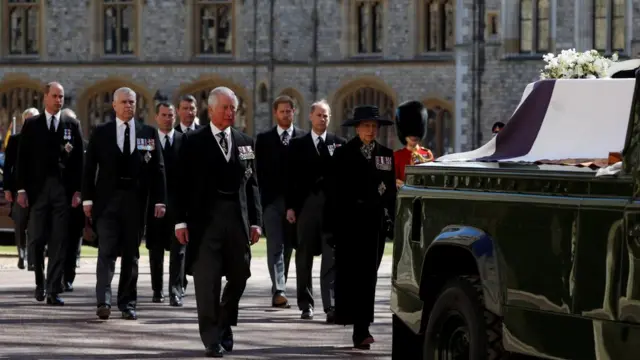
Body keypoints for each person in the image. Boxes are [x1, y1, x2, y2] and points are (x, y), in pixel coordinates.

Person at [175, 86, 262, 358]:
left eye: (233, 108)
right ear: (210, 110)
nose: (229, 112)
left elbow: (253, 185)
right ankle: (212, 338)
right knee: (207, 281)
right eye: (224, 108)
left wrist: (256, 221)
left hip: (237, 220)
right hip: (204, 222)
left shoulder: (245, 141)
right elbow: (180, 184)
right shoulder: (192, 141)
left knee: (240, 275)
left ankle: (224, 321)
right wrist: (180, 222)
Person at [82, 87, 167, 321]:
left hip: (135, 203)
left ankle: (128, 303)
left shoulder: (148, 133)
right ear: (114, 105)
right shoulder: (101, 132)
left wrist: (160, 200)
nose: (129, 106)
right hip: (107, 202)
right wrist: (87, 199)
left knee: (131, 255)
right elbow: (89, 169)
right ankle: (104, 301)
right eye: (125, 102)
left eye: (132, 102)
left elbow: (158, 170)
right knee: (107, 252)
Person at [325, 105, 396, 349]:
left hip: (374, 225)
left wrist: (393, 222)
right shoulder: (343, 154)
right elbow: (333, 194)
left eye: (374, 126)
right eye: (366, 125)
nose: (370, 130)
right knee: (349, 275)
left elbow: (390, 194)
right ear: (357, 128)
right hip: (349, 225)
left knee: (369, 277)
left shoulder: (386, 155)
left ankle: (362, 328)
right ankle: (349, 317)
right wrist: (332, 228)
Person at [15, 82, 84, 305]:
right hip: (38, 191)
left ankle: (54, 289)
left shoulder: (71, 124)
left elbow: (78, 162)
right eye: (54, 96)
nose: (58, 100)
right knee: (36, 238)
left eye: (61, 96)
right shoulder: (32, 124)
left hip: (62, 192)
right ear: (45, 97)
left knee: (59, 241)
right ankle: (39, 282)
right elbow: (21, 159)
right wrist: (22, 189)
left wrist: (77, 191)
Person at [285, 99, 345, 322]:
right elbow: (290, 179)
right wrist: (290, 207)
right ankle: (306, 303)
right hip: (305, 208)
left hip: (331, 210)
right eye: (319, 115)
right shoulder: (297, 144)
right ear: (310, 117)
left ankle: (330, 305)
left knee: (331, 258)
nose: (323, 119)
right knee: (304, 257)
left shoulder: (338, 144)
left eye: (326, 115)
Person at [255, 95, 307, 308]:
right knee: (275, 246)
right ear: (275, 113)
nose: (286, 114)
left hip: (295, 204)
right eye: (282, 111)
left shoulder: (303, 138)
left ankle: (280, 285)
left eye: (289, 110)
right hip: (272, 203)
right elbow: (259, 174)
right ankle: (279, 290)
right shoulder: (264, 139)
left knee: (288, 248)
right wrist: (264, 204)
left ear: (294, 112)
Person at [145, 102, 186, 306]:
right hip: (154, 204)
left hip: (178, 204)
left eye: (171, 115)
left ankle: (175, 291)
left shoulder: (183, 140)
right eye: (164, 115)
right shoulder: (148, 141)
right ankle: (157, 289)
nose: (168, 118)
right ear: (156, 117)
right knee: (156, 249)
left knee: (178, 250)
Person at [3, 107, 39, 270]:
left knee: (35, 225)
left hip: (38, 190)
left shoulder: (43, 140)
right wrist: (8, 189)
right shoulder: (15, 140)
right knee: (20, 223)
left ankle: (32, 258)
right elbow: (9, 167)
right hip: (19, 189)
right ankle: (22, 253)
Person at [60, 108, 85, 292]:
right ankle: (55, 277)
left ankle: (68, 276)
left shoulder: (84, 145)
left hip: (75, 199)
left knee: (72, 239)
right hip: (56, 197)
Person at [393, 100, 433, 188]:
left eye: (415, 133)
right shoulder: (397, 156)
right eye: (410, 134)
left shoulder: (427, 154)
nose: (413, 136)